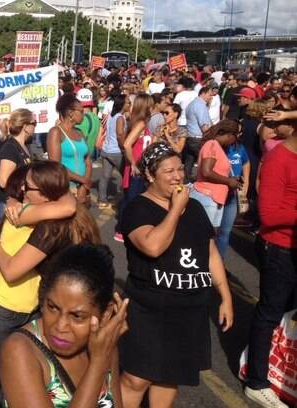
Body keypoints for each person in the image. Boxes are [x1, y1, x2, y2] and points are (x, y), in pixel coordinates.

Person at [0, 161, 93, 407]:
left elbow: (11, 270)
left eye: (29, 188)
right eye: (22, 187)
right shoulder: (28, 212)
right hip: (5, 307)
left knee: (7, 376)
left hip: (29, 309)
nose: (23, 192)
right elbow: (65, 203)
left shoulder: (50, 222)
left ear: (46, 194)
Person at [118, 142, 233, 408]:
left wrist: (225, 296)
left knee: (170, 377)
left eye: (180, 168)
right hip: (149, 309)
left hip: (189, 310)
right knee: (136, 379)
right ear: (150, 175)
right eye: (169, 171)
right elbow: (153, 245)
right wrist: (175, 210)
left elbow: (211, 252)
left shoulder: (194, 207)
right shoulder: (138, 208)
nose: (178, 176)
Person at [0, 244, 128, 408]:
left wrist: (103, 355)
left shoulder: (105, 343)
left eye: (77, 316)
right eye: (53, 307)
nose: (60, 326)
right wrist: (98, 363)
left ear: (106, 314)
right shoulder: (19, 351)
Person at [243, 112, 297, 408]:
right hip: (279, 249)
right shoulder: (279, 159)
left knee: (289, 316)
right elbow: (270, 215)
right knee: (270, 314)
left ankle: (281, 371)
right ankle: (257, 381)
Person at [116, 93, 155, 242]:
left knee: (133, 199)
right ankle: (122, 230)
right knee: (131, 200)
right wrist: (133, 163)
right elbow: (127, 145)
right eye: (151, 105)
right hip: (136, 169)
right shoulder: (141, 123)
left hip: (140, 168)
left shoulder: (141, 123)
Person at [189, 120, 242, 230]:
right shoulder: (212, 144)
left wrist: (231, 179)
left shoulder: (217, 147)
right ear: (229, 134)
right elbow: (206, 172)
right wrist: (228, 181)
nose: (234, 141)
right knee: (203, 234)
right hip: (207, 196)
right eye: (235, 136)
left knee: (210, 236)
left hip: (214, 198)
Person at [0, 108, 35, 230]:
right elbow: (3, 181)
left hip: (18, 202)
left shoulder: (23, 146)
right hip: (6, 204)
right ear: (25, 126)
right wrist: (22, 189)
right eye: (34, 123)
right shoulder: (10, 147)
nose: (35, 127)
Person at [47, 93, 92, 203]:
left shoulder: (80, 132)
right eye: (81, 111)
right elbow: (55, 167)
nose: (84, 114)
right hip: (66, 189)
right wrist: (83, 181)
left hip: (83, 188)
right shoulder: (56, 132)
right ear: (70, 113)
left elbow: (88, 162)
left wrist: (84, 187)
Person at [216, 127, 250, 257]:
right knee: (212, 230)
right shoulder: (217, 147)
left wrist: (246, 183)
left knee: (225, 231)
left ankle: (220, 263)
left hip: (233, 195)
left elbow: (246, 163)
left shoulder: (240, 148)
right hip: (217, 194)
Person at [98, 94, 129, 209]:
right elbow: (120, 134)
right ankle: (125, 199)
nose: (129, 105)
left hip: (106, 149)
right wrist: (124, 148)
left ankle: (102, 200)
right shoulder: (120, 117)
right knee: (126, 176)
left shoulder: (111, 115)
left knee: (105, 176)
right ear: (122, 104)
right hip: (116, 151)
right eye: (128, 103)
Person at [184, 87, 214, 182]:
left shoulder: (192, 104)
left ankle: (185, 181)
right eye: (210, 94)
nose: (211, 97)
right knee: (205, 163)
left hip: (190, 137)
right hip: (198, 138)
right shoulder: (200, 105)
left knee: (189, 162)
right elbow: (205, 126)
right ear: (203, 93)